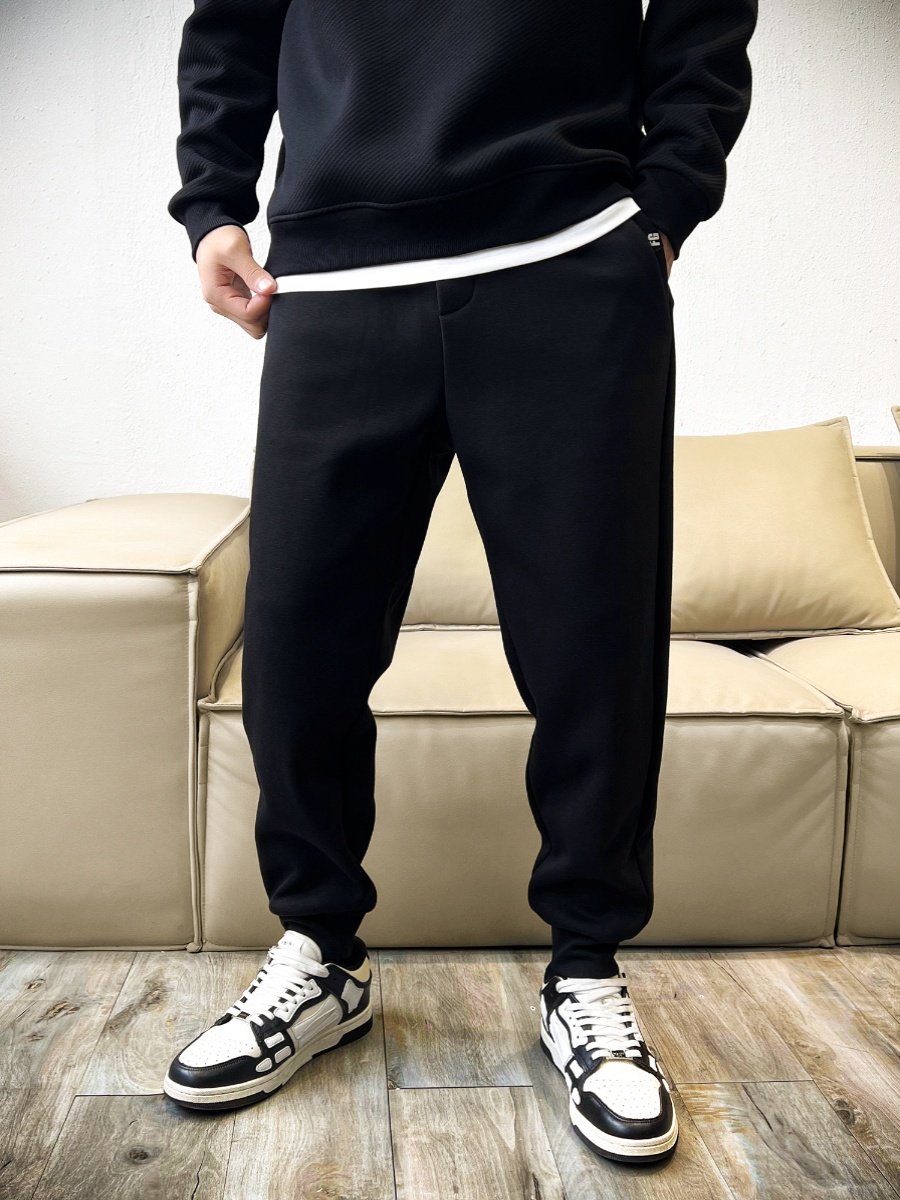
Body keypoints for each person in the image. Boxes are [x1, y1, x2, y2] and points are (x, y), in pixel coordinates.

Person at [161, 0, 756, 1164]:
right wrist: (212, 204)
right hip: (334, 273)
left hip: (568, 254)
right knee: (297, 643)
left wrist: (669, 199)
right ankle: (321, 955)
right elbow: (231, 18)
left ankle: (586, 969)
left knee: (592, 644)